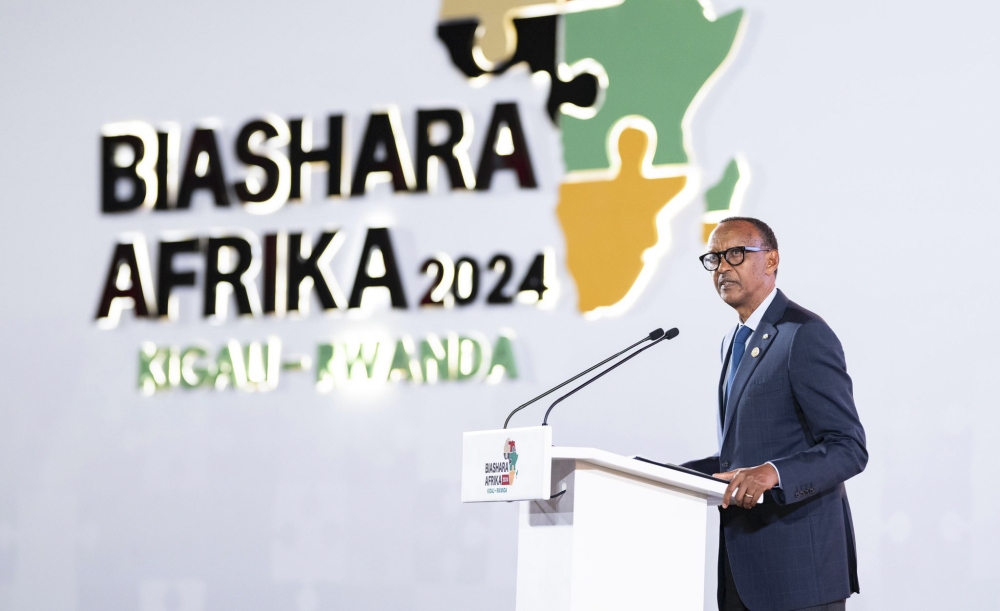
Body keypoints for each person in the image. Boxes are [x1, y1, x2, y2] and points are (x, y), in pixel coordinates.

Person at [683, 217, 867, 611]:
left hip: (800, 574)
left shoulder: (803, 334)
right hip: (743, 572)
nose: (723, 268)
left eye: (735, 254)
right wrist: (666, 474)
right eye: (714, 259)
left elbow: (848, 447)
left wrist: (774, 473)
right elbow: (741, 457)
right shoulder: (732, 342)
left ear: (771, 260)